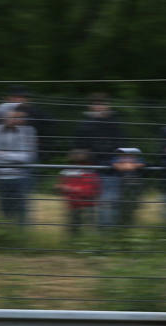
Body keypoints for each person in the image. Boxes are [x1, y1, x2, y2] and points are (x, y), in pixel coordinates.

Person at [74, 93, 125, 226]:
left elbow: (120, 144)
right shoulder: (84, 124)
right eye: (96, 104)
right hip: (89, 169)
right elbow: (78, 146)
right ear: (90, 106)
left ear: (108, 106)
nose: (99, 106)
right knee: (89, 205)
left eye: (102, 103)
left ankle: (107, 234)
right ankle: (91, 234)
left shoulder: (114, 122)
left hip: (110, 169)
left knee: (109, 203)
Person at [0, 104, 37, 225]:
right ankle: (8, 236)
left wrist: (3, 155)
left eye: (17, 117)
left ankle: (22, 237)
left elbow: (27, 158)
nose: (15, 119)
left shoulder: (26, 132)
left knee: (21, 213)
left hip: (20, 177)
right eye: (11, 116)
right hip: (1, 177)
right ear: (4, 116)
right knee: (5, 212)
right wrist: (14, 157)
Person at [57, 148, 101, 236]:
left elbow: (90, 190)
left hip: (87, 204)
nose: (76, 156)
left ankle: (89, 242)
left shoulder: (89, 169)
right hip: (73, 204)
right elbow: (60, 185)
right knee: (73, 227)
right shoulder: (67, 170)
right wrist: (63, 188)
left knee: (89, 227)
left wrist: (71, 189)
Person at [109, 147, 147, 230]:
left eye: (129, 155)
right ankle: (119, 226)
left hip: (133, 188)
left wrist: (127, 166)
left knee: (131, 207)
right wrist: (130, 166)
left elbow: (142, 164)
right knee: (119, 207)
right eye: (123, 154)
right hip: (119, 187)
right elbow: (115, 165)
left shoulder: (139, 159)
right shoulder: (116, 158)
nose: (125, 156)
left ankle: (128, 226)